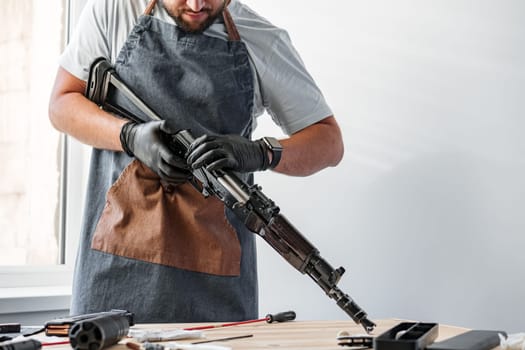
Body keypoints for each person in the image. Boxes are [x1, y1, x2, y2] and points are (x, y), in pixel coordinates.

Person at [48, 0, 344, 323]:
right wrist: (129, 136)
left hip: (216, 291)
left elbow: (329, 142)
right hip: (112, 278)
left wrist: (260, 152)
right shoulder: (114, 10)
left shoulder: (262, 40)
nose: (196, 4)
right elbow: (62, 104)